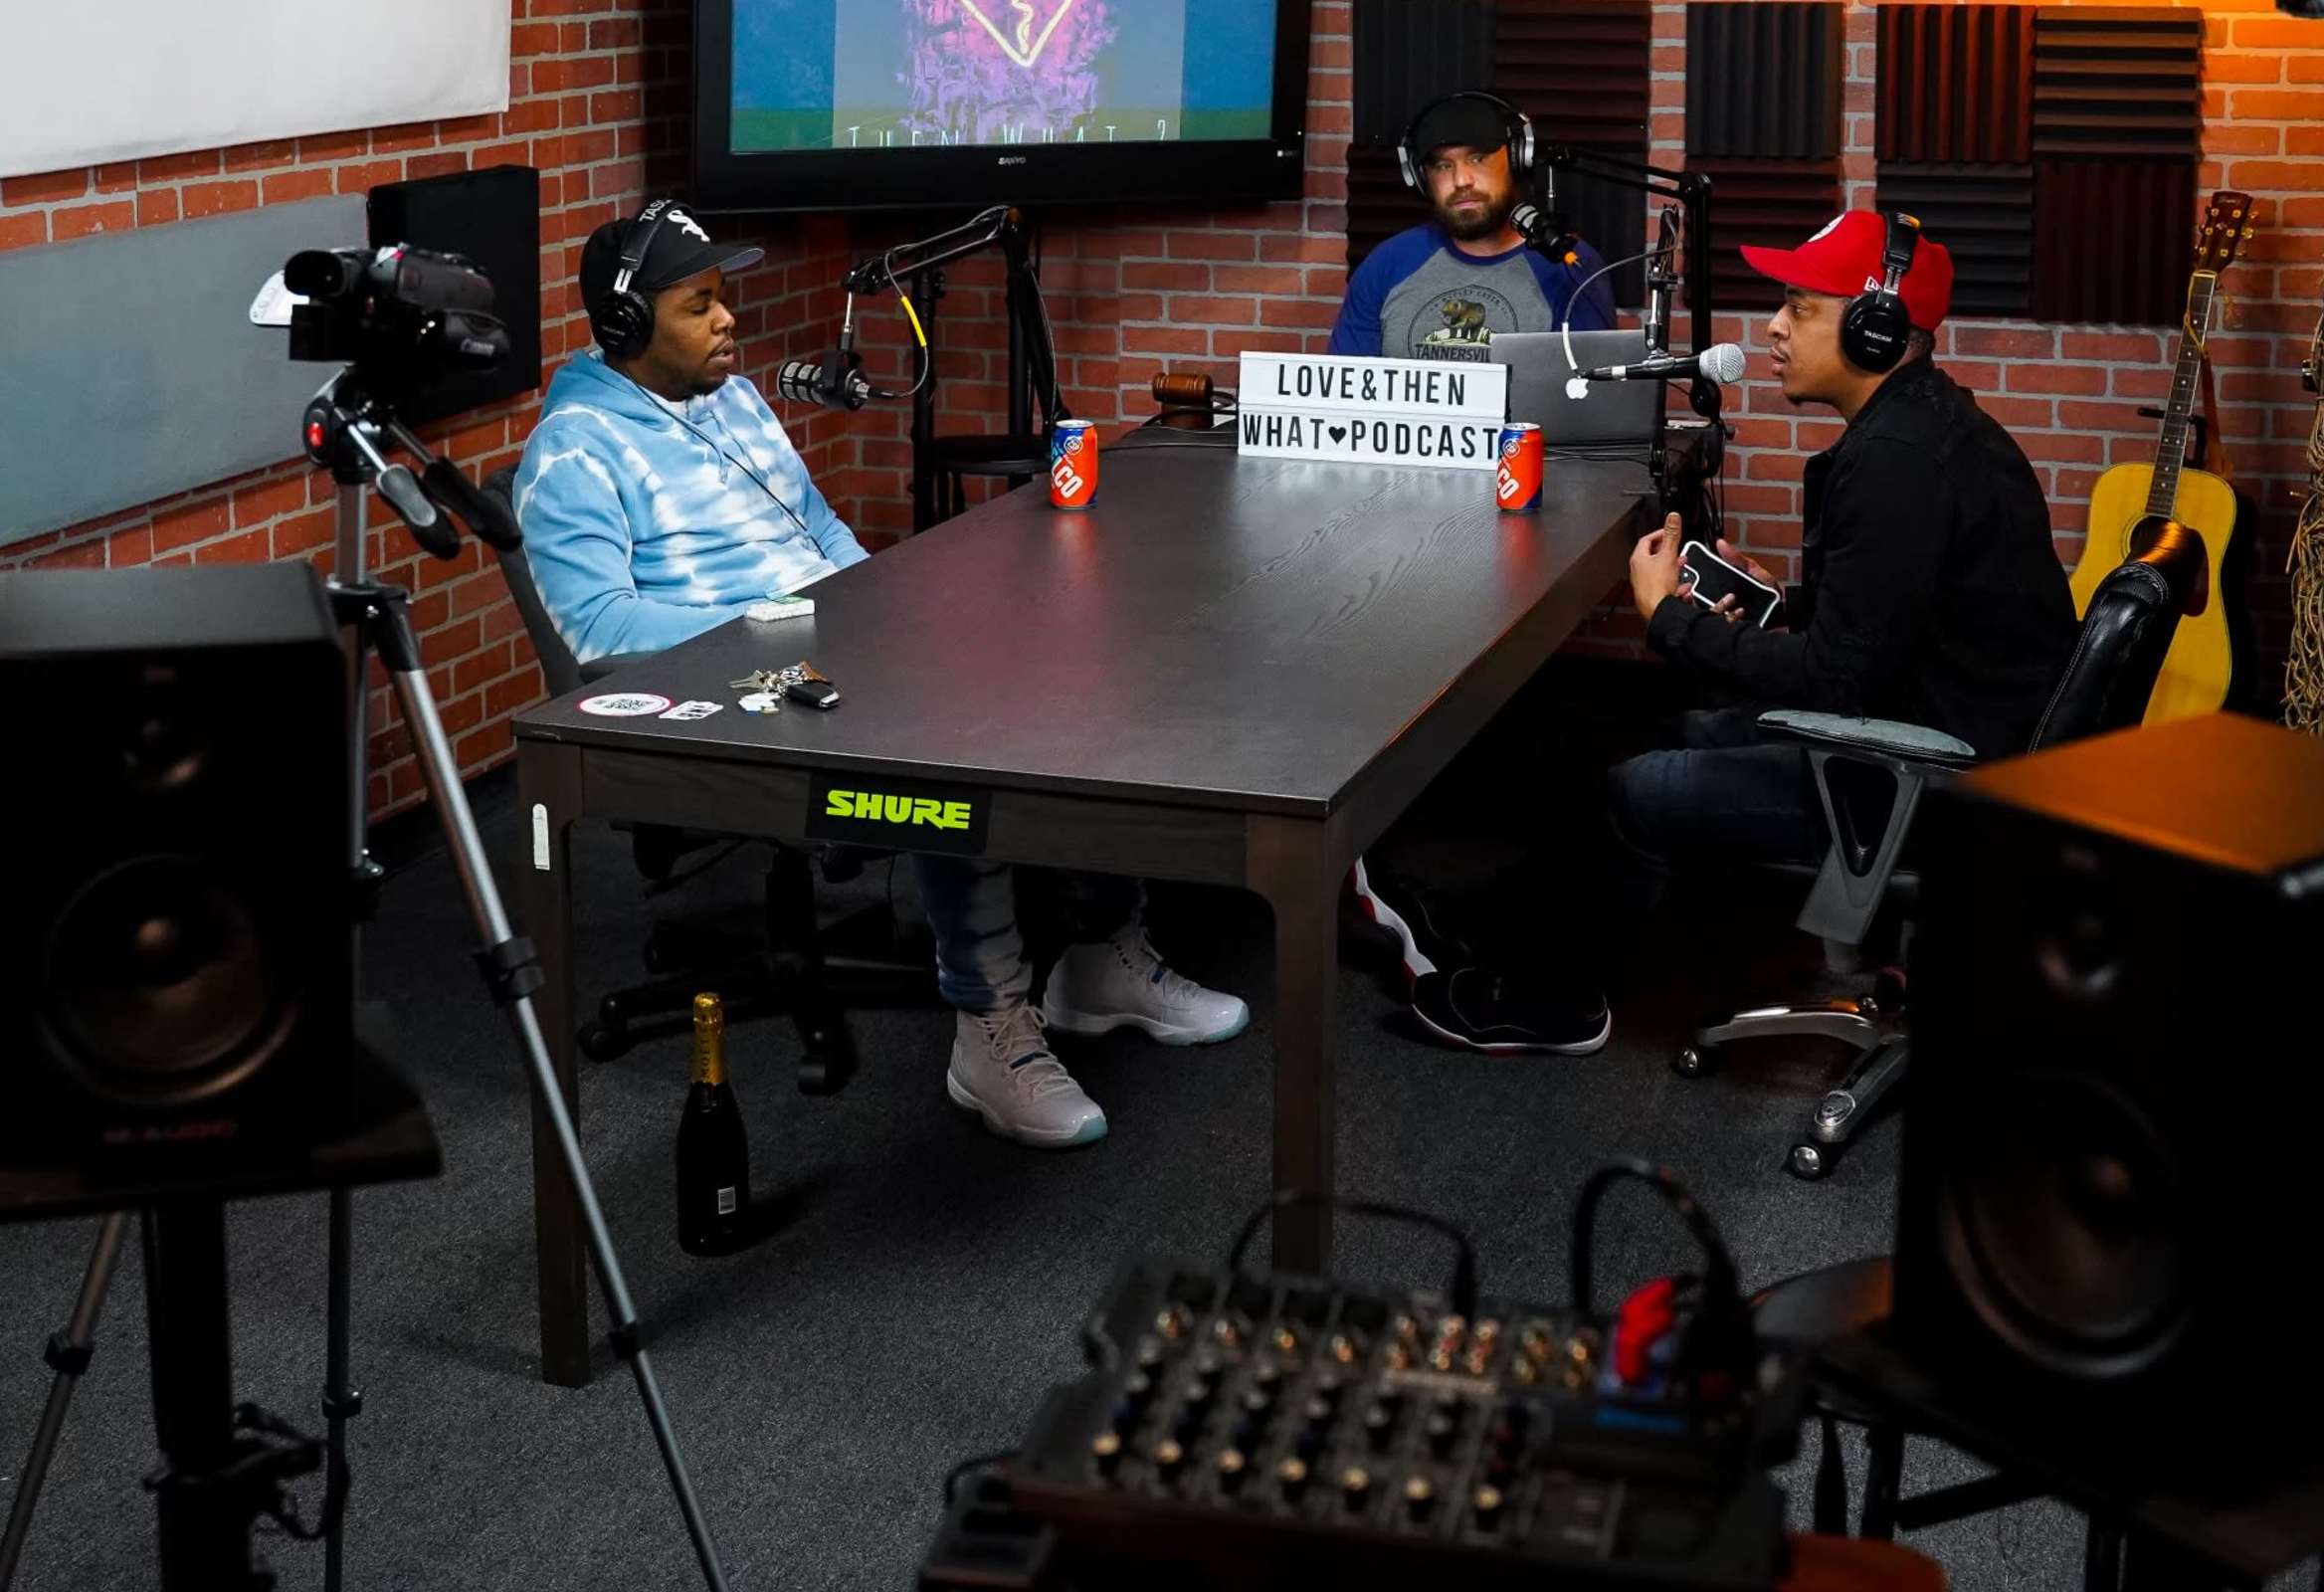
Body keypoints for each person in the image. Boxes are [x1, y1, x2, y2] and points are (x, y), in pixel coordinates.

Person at [515, 198, 1246, 1146]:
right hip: (725, 689)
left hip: (827, 643)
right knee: (952, 744)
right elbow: (598, 629)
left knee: (1066, 673)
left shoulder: (728, 398)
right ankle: (989, 1031)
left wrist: (888, 613)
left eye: (722, 298)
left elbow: (817, 529)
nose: (728, 319)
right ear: (626, 324)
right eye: (699, 305)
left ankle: (1101, 957)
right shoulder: (571, 451)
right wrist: (786, 628)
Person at [1372, 204, 2078, 1055]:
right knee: (1665, 732)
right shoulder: (1926, 428)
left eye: (1800, 309)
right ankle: (1494, 929)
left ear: (1876, 328)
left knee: (1643, 789)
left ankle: (1554, 1003)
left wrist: (1670, 618)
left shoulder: (1899, 464)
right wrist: (1777, 605)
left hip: (1929, 780)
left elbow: (1837, 685)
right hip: (1939, 734)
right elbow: (1887, 633)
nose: (1773, 328)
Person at [1328, 90, 1587, 357]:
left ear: (1518, 159)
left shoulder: (1567, 262)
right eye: (1442, 165)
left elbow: (1588, 393)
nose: (1462, 180)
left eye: (1477, 159)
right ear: (1419, 177)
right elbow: (1350, 391)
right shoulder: (1387, 263)